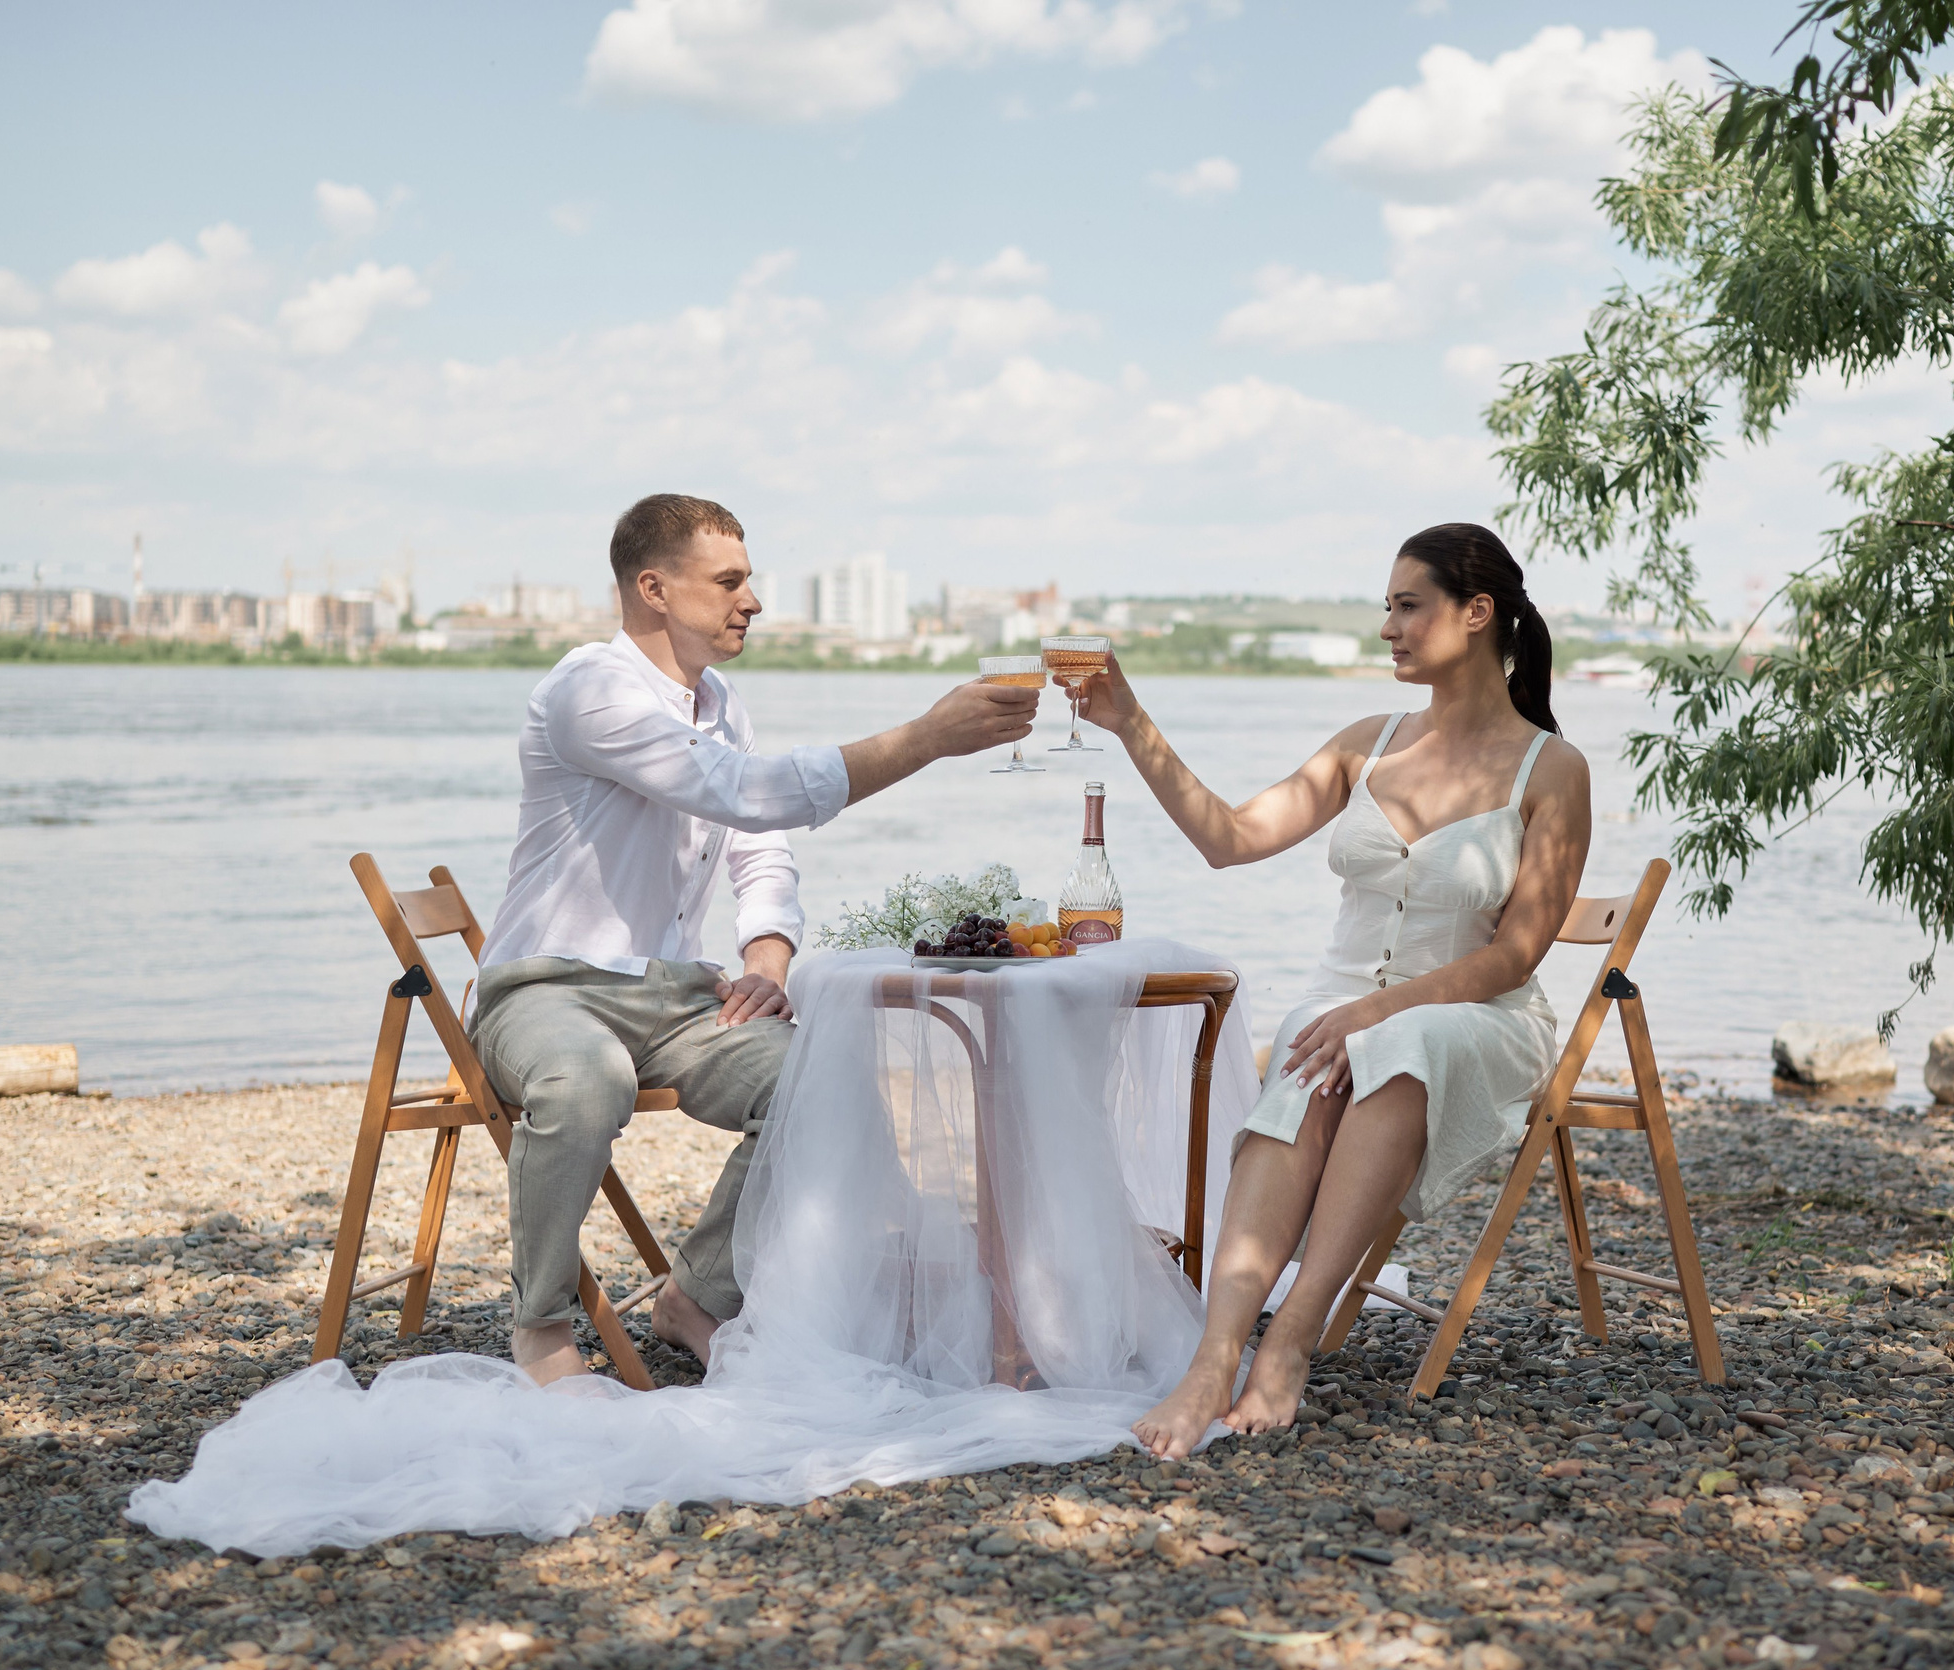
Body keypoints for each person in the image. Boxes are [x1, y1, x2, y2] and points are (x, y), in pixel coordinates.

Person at [473, 493, 1037, 1385]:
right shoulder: (589, 690)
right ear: (654, 588)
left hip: (670, 996)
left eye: (750, 580)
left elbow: (757, 845)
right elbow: (743, 791)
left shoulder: (720, 700)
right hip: (544, 989)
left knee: (824, 1080)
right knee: (586, 1078)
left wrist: (767, 953)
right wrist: (926, 738)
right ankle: (541, 1322)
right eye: (730, 581)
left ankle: (696, 1296)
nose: (753, 600)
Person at [1064, 522, 1591, 1458]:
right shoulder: (1366, 744)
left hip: (1478, 1019)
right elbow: (1228, 837)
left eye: (1406, 604)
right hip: (1345, 1014)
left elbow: (1513, 957)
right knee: (1320, 1042)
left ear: (1476, 614)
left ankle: (1293, 1343)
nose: (1387, 627)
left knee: (1390, 1041)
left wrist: (1378, 1010)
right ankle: (1216, 1353)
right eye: (1385, 607)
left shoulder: (1552, 770)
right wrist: (1128, 719)